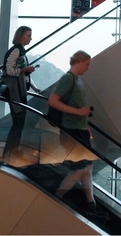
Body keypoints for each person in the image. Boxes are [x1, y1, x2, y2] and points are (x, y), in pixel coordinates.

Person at [49, 51, 97, 213]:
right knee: (80, 169)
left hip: (80, 130)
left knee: (87, 167)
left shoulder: (77, 80)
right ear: (79, 61)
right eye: (87, 64)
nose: (88, 68)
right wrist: (78, 113)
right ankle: (58, 196)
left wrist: (85, 124)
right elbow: (53, 101)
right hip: (71, 131)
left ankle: (91, 202)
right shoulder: (68, 79)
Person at [1, 25, 36, 163]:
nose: (30, 38)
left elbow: (21, 71)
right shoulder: (16, 51)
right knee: (18, 122)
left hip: (20, 90)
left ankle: (13, 150)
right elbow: (9, 70)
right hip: (15, 91)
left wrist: (34, 87)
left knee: (19, 122)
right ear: (21, 36)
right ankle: (9, 152)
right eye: (28, 35)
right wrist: (24, 70)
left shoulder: (20, 51)